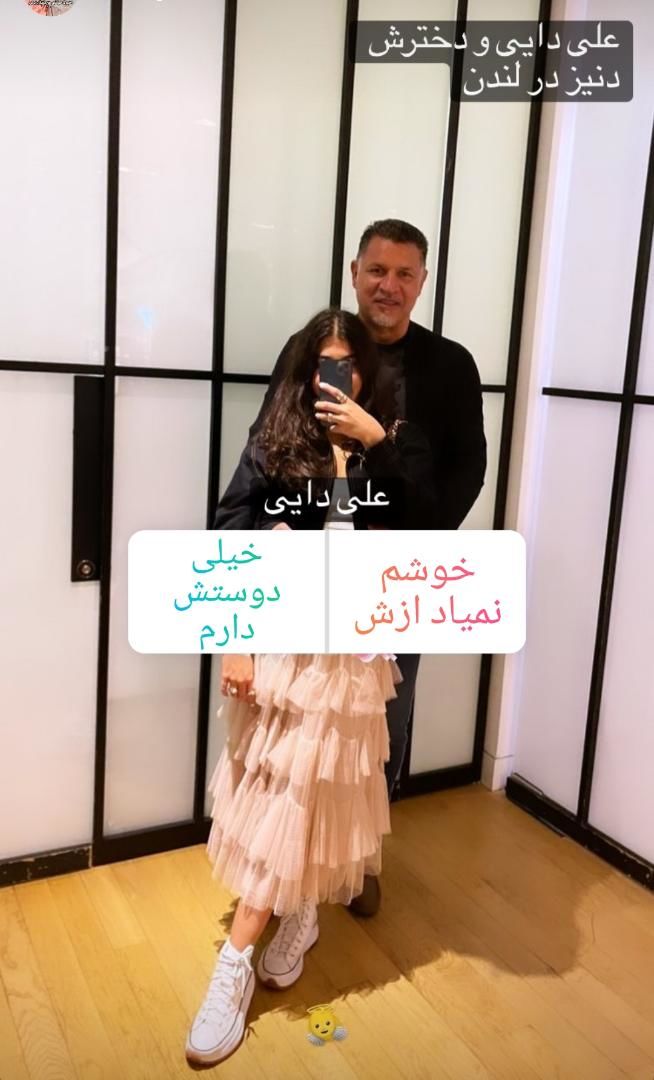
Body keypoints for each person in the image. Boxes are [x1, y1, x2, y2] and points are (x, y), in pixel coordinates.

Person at [185, 309, 436, 1067]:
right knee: (278, 788)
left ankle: (277, 927)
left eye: (349, 363)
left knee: (318, 789)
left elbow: (424, 527)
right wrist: (234, 639)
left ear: (367, 371)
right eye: (325, 363)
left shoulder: (392, 440)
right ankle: (250, 950)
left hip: (354, 658)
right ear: (304, 370)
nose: (338, 376)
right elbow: (229, 529)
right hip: (286, 650)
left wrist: (375, 442)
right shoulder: (277, 437)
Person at [215, 219, 487, 916]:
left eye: (404, 274)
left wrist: (382, 456)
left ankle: (356, 861)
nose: (388, 285)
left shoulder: (449, 366)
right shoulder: (314, 348)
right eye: (377, 270)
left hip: (393, 588)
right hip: (302, 586)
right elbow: (261, 467)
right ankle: (279, 876)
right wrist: (240, 614)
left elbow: (460, 483)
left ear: (422, 283)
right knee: (287, 734)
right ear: (355, 273)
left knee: (382, 730)